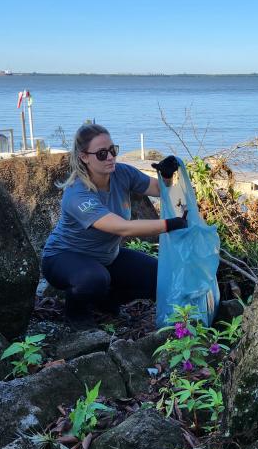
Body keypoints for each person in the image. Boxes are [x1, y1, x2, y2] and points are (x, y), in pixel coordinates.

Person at [41, 123, 184, 319]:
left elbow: (159, 190)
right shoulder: (77, 194)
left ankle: (105, 302)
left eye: (112, 150)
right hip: (63, 258)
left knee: (159, 277)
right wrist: (170, 225)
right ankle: (75, 315)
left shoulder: (122, 173)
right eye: (101, 154)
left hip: (106, 257)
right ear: (84, 157)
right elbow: (122, 228)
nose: (110, 157)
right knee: (93, 279)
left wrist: (166, 175)